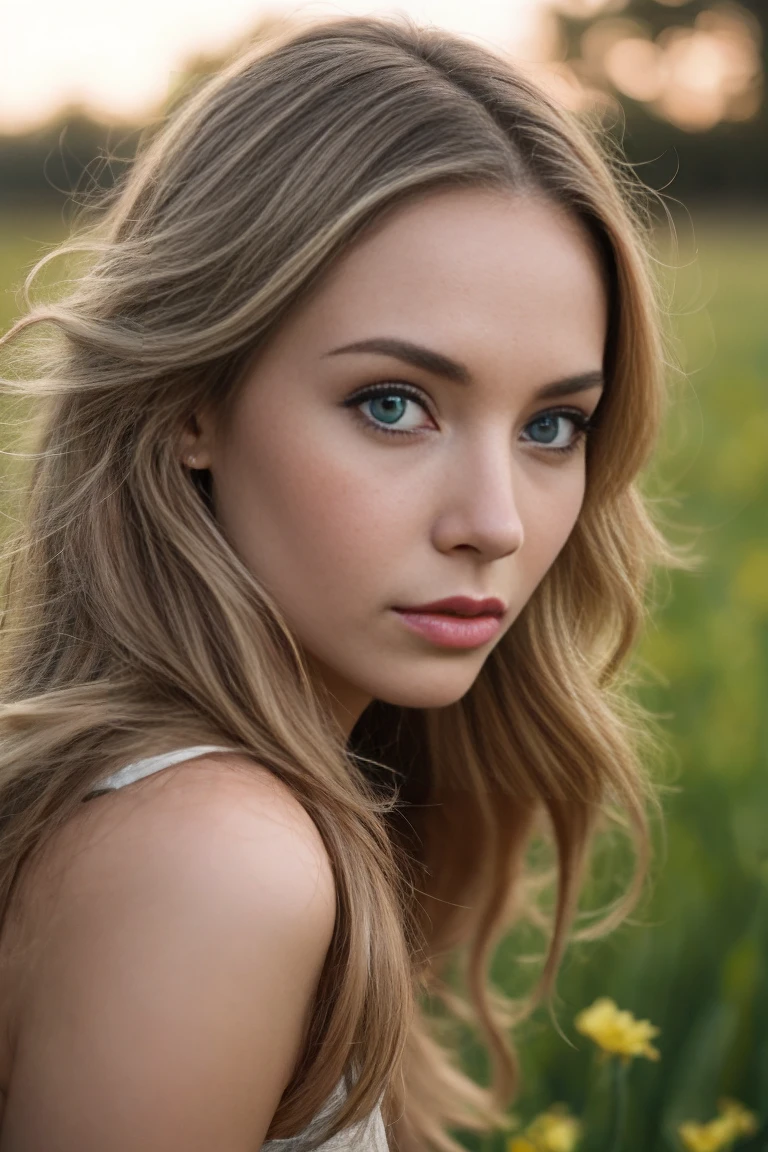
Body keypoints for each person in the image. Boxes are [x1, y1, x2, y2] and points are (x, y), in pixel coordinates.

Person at [0, 14, 688, 1152]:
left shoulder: (200, 816)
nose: (495, 524)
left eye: (555, 424)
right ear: (191, 405)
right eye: (393, 404)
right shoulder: (217, 860)